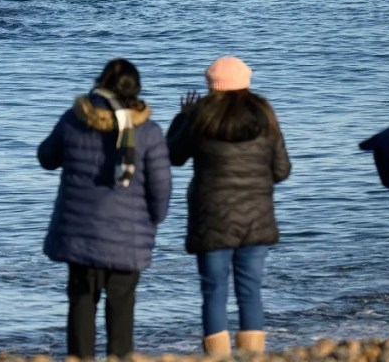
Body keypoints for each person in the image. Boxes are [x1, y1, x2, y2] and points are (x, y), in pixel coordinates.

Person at [38, 58, 172, 360]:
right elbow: (160, 186)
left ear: (101, 83)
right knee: (122, 305)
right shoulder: (148, 131)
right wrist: (156, 218)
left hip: (79, 233)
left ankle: (80, 357)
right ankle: (119, 356)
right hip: (128, 235)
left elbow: (46, 157)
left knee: (81, 302)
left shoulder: (74, 120)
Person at [166, 56, 291, 355]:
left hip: (211, 218)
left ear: (212, 85)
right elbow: (282, 170)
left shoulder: (200, 116)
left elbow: (173, 156)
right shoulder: (264, 114)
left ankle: (217, 357)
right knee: (250, 289)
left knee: (213, 290)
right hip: (256, 217)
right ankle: (253, 357)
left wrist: (182, 117)